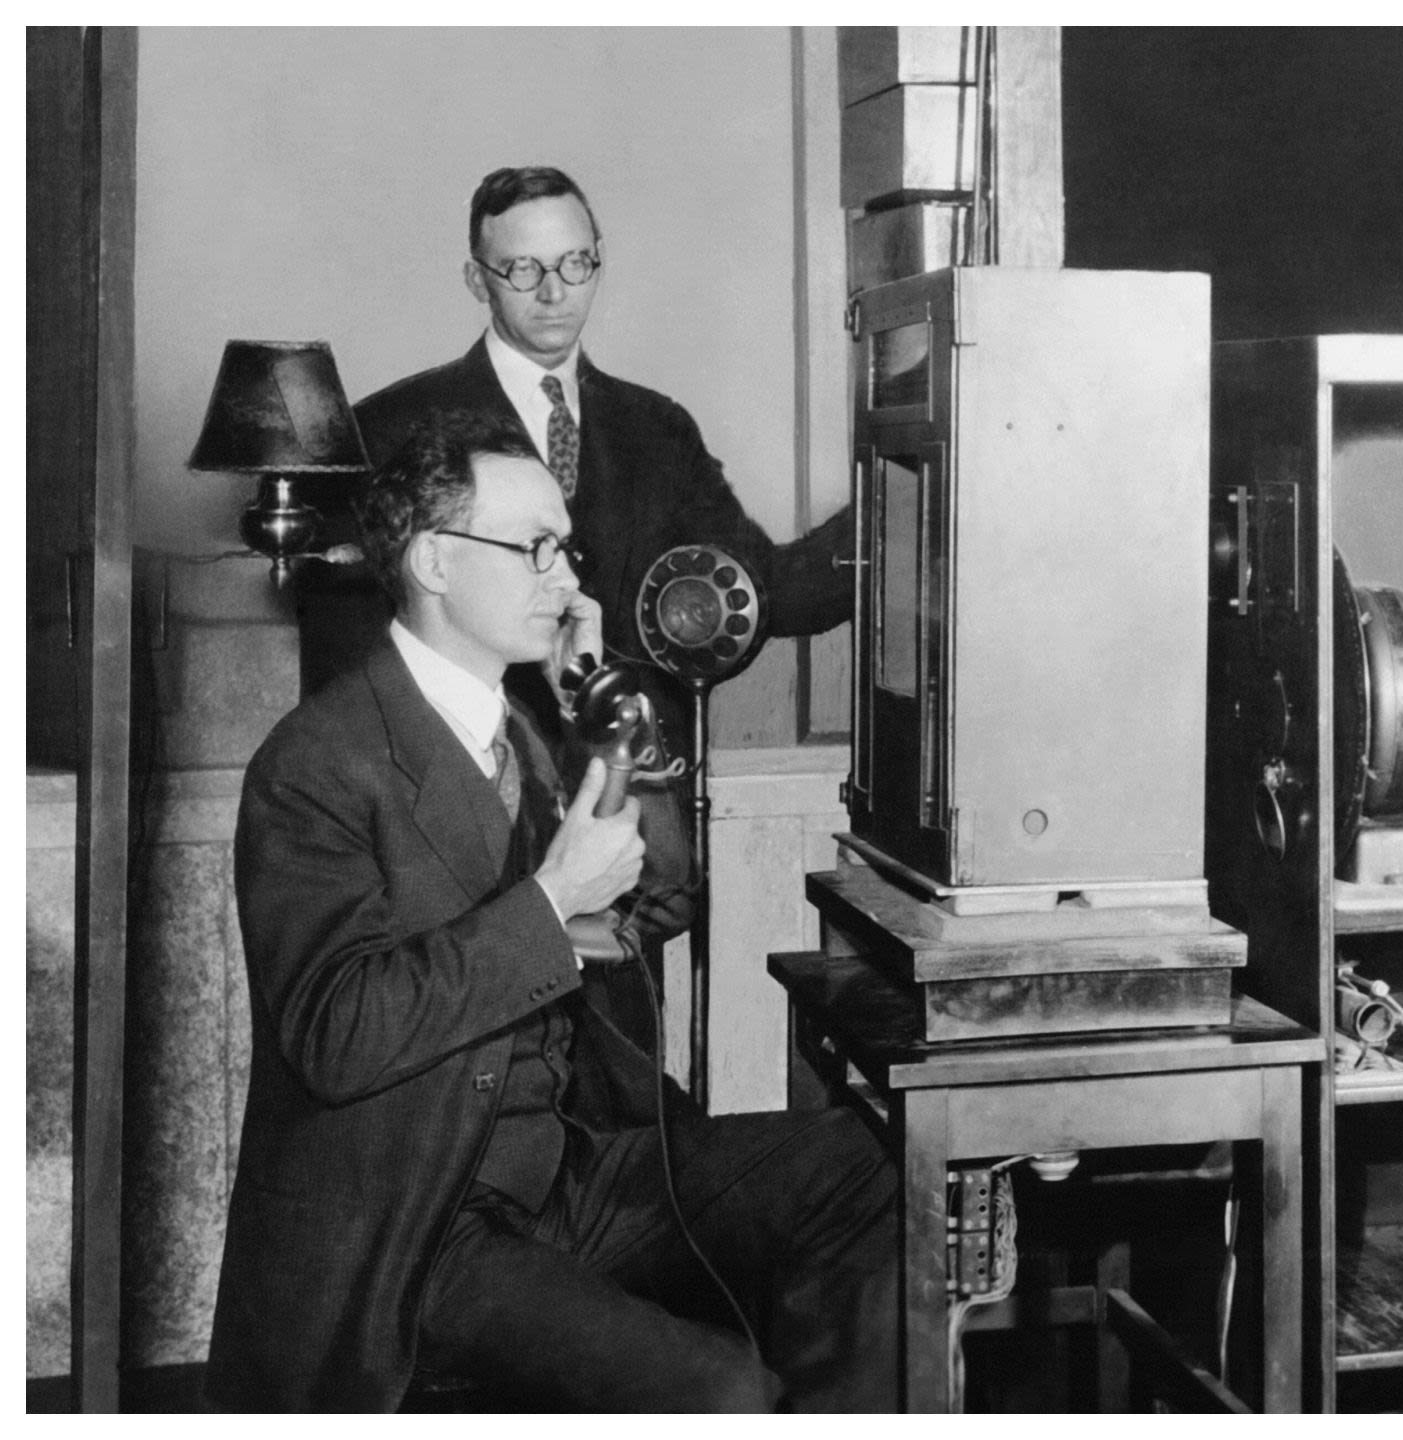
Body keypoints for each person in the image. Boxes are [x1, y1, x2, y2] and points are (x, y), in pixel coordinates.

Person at [208, 409, 896, 1411]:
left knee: (864, 1160)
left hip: (566, 1174)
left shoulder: (524, 737)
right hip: (426, 1220)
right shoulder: (318, 763)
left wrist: (605, 700)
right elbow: (333, 1032)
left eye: (565, 547)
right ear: (437, 561)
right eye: (536, 547)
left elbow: (661, 900)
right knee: (720, 1394)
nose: (569, 579)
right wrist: (549, 901)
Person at [304, 163, 856, 711]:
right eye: (522, 269)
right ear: (477, 280)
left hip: (638, 776)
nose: (553, 292)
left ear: (598, 261)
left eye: (574, 263)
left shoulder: (660, 428)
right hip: (475, 781)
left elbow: (765, 590)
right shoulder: (386, 429)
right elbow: (347, 658)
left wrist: (896, 507)